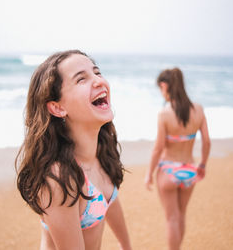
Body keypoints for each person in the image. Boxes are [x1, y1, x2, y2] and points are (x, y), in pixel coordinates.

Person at [15, 50, 132, 250]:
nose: (98, 81)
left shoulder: (102, 149)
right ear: (58, 108)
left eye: (97, 72)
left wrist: (126, 246)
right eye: (81, 79)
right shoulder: (59, 178)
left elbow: (110, 200)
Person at [144, 68, 211, 250]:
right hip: (190, 169)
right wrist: (203, 164)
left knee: (171, 219)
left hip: (168, 171)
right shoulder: (198, 109)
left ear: (164, 86)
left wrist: (149, 173)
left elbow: (158, 148)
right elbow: (206, 141)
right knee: (181, 215)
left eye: (160, 88)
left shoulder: (164, 114)